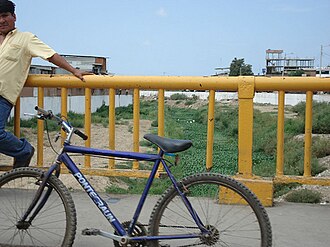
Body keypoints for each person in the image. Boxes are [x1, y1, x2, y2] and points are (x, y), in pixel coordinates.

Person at [0, 0, 89, 168]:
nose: (1, 21)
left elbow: (50, 55)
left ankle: (23, 150)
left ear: (14, 17)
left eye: (5, 16)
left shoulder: (25, 39)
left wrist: (73, 70)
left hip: (2, 96)